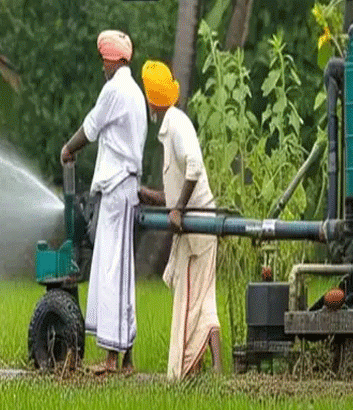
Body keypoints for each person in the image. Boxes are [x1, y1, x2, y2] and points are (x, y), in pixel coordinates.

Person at [60, 30, 147, 374]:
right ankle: (124, 359)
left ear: (112, 60)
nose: (102, 67)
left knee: (114, 272)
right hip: (119, 190)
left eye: (103, 61)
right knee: (117, 271)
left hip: (119, 190)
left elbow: (91, 127)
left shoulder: (116, 89)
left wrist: (68, 149)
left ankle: (113, 360)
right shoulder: (134, 91)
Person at [137, 60, 222, 380]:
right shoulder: (172, 125)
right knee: (204, 299)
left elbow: (195, 167)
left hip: (197, 227)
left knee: (191, 301)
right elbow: (177, 190)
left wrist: (179, 210)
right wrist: (151, 196)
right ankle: (216, 370)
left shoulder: (175, 125)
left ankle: (184, 371)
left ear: (151, 101)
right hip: (200, 227)